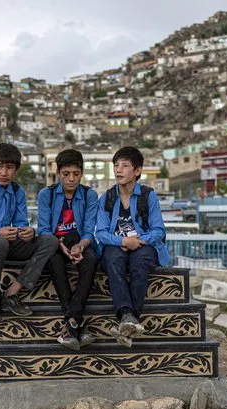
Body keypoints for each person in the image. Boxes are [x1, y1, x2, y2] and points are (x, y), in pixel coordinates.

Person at [0, 143, 59, 321]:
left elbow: (21, 224)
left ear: (16, 170)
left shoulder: (17, 192)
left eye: (9, 168)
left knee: (50, 241)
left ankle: (11, 293)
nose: (4, 173)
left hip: (5, 243)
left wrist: (28, 232)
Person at [96, 146, 170, 347]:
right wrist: (122, 241)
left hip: (142, 244)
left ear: (137, 171)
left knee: (142, 260)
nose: (118, 170)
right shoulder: (107, 198)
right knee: (112, 258)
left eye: (125, 166)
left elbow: (159, 230)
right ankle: (129, 317)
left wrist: (139, 240)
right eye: (116, 166)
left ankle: (127, 317)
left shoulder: (148, 196)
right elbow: (101, 233)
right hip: (116, 245)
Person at [37, 149, 98, 351]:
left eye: (76, 174)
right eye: (66, 174)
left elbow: (89, 230)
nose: (71, 179)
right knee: (54, 261)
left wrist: (80, 246)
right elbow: (44, 229)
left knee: (90, 260)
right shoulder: (47, 195)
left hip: (80, 242)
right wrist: (59, 244)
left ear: (82, 173)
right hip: (54, 242)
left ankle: (71, 324)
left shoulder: (90, 195)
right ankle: (76, 322)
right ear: (58, 173)